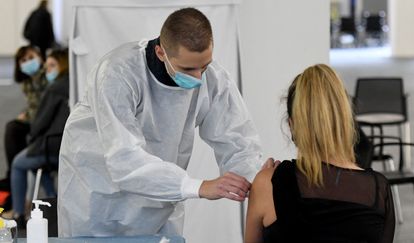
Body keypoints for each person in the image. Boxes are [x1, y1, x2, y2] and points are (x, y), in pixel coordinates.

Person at [58, 8, 266, 237]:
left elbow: (238, 142)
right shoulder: (117, 74)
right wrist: (199, 186)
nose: (198, 78)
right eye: (188, 69)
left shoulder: (213, 78)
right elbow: (123, 159)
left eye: (204, 66)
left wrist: (254, 183)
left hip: (162, 199)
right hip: (99, 199)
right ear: (160, 52)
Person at [245, 64, 395, 243]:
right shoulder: (378, 190)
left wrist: (269, 180)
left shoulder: (266, 184)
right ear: (345, 120)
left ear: (292, 125)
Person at [11, 49, 69, 228]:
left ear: (62, 65)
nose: (48, 70)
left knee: (18, 163)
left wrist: (32, 137)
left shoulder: (54, 88)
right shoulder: (73, 83)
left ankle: (18, 213)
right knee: (36, 164)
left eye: (52, 65)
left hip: (51, 145)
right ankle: (53, 201)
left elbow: (39, 123)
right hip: (65, 144)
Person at [0, 46, 48, 210]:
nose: (28, 63)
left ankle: (12, 179)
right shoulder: (28, 82)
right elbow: (33, 106)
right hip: (34, 121)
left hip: (45, 125)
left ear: (40, 57)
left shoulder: (46, 77)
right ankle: (13, 180)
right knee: (13, 128)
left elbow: (45, 108)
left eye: (31, 57)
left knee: (13, 129)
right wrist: (25, 114)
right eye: (23, 60)